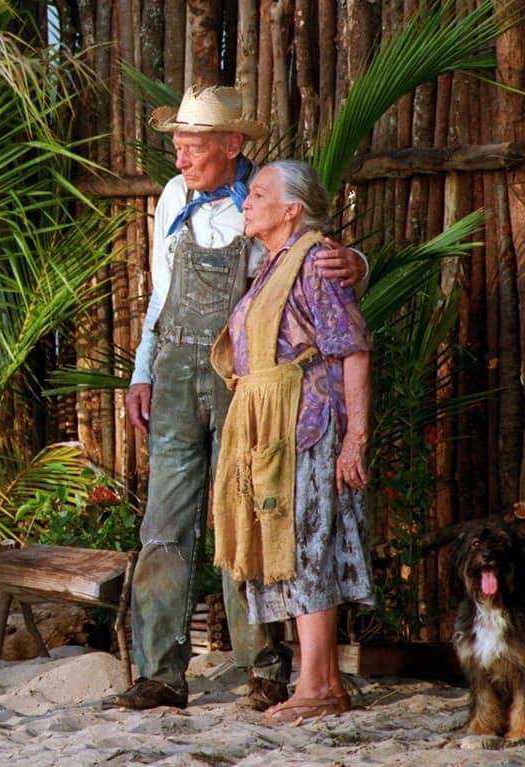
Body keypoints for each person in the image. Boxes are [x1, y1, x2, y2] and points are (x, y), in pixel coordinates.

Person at [102, 85, 366, 712]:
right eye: (177, 145)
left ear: (232, 146)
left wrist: (356, 260)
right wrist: (143, 373)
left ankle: (263, 667)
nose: (181, 159)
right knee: (163, 526)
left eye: (192, 147)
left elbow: (317, 263)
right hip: (172, 378)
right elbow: (160, 299)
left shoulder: (266, 203)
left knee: (245, 517)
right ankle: (161, 673)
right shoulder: (172, 199)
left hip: (242, 388)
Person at [210, 159, 373, 723]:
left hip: (307, 423)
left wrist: (355, 438)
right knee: (294, 544)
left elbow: (352, 350)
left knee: (306, 547)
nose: (246, 202)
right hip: (274, 425)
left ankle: (315, 688)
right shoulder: (275, 262)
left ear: (292, 209)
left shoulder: (315, 263)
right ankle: (323, 680)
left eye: (258, 194)